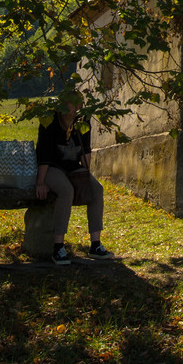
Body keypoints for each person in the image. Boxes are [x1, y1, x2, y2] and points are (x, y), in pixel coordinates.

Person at [34, 96, 113, 264]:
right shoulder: (50, 121)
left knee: (96, 189)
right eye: (74, 102)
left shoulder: (83, 121)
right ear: (63, 105)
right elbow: (44, 154)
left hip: (73, 166)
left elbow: (86, 152)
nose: (78, 107)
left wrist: (86, 174)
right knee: (66, 190)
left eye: (80, 103)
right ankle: (58, 247)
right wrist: (40, 182)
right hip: (51, 167)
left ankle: (95, 244)